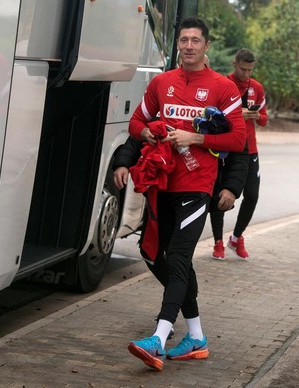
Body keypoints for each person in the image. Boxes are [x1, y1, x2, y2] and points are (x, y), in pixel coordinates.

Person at [125, 16, 247, 371]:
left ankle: (159, 338)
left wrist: (195, 138)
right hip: (162, 185)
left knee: (178, 257)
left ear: (206, 46)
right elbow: (136, 123)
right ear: (177, 44)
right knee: (155, 255)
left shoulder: (224, 88)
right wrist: (148, 134)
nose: (189, 46)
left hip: (197, 186)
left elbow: (237, 139)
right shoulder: (162, 83)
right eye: (184, 40)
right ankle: (196, 336)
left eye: (196, 40)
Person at [211, 48, 268, 260]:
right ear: (234, 64)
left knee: (252, 196)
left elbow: (264, 119)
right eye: (243, 69)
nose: (246, 74)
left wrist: (254, 115)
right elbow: (213, 116)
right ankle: (218, 242)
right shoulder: (223, 84)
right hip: (227, 149)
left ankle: (236, 237)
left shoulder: (257, 88)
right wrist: (236, 115)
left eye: (250, 70)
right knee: (220, 196)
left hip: (250, 149)